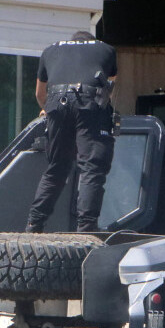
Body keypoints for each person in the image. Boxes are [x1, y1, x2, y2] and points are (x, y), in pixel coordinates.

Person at [25, 31, 117, 233]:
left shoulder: (50, 50)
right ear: (91, 40)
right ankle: (86, 227)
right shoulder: (106, 49)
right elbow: (109, 88)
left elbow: (40, 93)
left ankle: (34, 224)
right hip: (89, 101)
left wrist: (48, 110)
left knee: (57, 167)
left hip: (56, 101)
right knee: (91, 167)